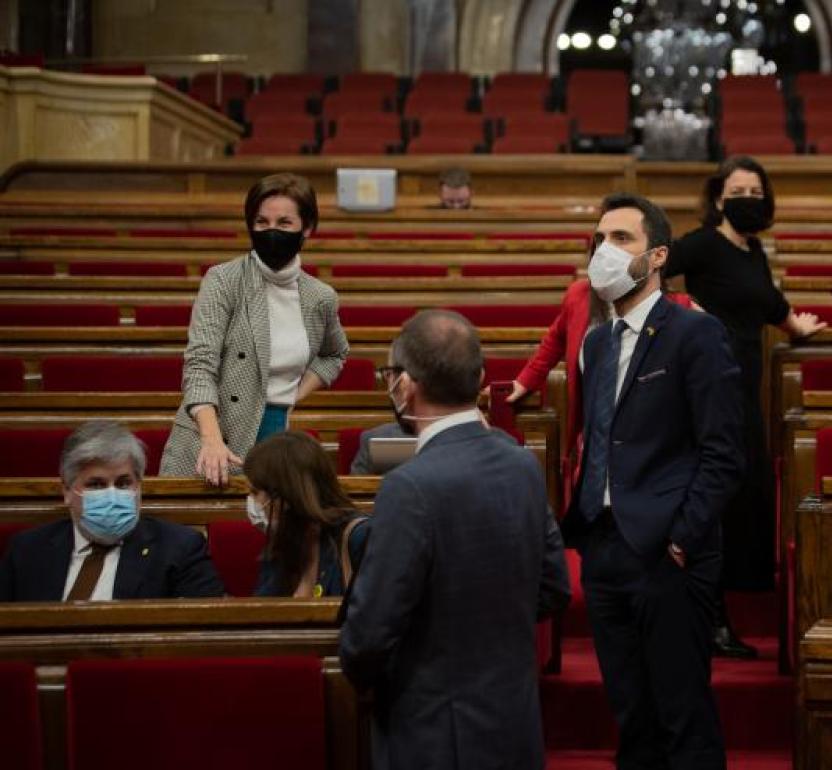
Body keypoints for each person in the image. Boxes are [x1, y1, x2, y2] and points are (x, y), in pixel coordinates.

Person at [339, 309, 570, 770]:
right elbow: (554, 588)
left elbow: (368, 637)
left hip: (434, 732)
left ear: (406, 385)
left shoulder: (408, 487)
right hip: (513, 720)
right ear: (480, 379)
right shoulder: (521, 463)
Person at [562, 192, 744, 769]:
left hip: (669, 550)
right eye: (599, 239)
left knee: (682, 714)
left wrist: (684, 535)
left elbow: (723, 451)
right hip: (604, 545)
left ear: (658, 255)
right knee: (631, 715)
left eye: (622, 239)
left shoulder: (696, 333)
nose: (605, 250)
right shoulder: (596, 341)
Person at [663, 155, 824, 658]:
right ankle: (708, 619)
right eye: (738, 192)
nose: (748, 200)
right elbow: (650, 273)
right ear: (718, 198)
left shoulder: (752, 249)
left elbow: (768, 302)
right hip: (706, 387)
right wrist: (684, 310)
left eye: (756, 193)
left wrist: (796, 326)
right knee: (714, 492)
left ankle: (723, 603)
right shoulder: (701, 244)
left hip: (744, 389)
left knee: (741, 492)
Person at [160, 172, 349, 485]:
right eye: (262, 222)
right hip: (210, 437)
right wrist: (211, 440)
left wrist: (293, 394)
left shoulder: (320, 296)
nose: (271, 231)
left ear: (307, 228)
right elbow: (199, 366)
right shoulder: (224, 280)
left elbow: (335, 354)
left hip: (275, 437)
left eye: (284, 223)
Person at [502, 276, 694, 501]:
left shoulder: (679, 308)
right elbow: (556, 338)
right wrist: (524, 381)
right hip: (595, 446)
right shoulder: (579, 295)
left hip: (652, 457)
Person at [0, 420, 224, 601]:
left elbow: (203, 631)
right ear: (67, 491)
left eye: (123, 483)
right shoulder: (27, 551)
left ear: (139, 486)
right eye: (96, 484)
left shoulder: (180, 549)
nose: (112, 495)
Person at [243, 430, 369, 597]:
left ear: (284, 494)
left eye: (255, 492)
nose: (251, 500)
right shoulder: (285, 538)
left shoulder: (359, 537)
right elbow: (263, 607)